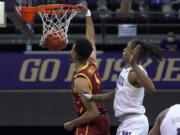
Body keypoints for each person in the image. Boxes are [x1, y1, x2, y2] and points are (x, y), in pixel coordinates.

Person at [84, 40, 164, 135]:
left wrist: (134, 65)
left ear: (134, 51)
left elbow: (151, 88)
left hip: (134, 123)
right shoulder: (126, 70)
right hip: (126, 123)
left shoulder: (136, 72)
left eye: (127, 47)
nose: (124, 49)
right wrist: (91, 97)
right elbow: (111, 95)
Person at [64, 4, 110, 135]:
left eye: (72, 49)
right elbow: (90, 38)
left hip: (91, 123)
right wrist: (88, 14)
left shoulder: (80, 81)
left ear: (75, 55)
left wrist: (71, 124)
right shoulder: (92, 63)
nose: (70, 51)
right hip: (103, 120)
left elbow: (92, 112)